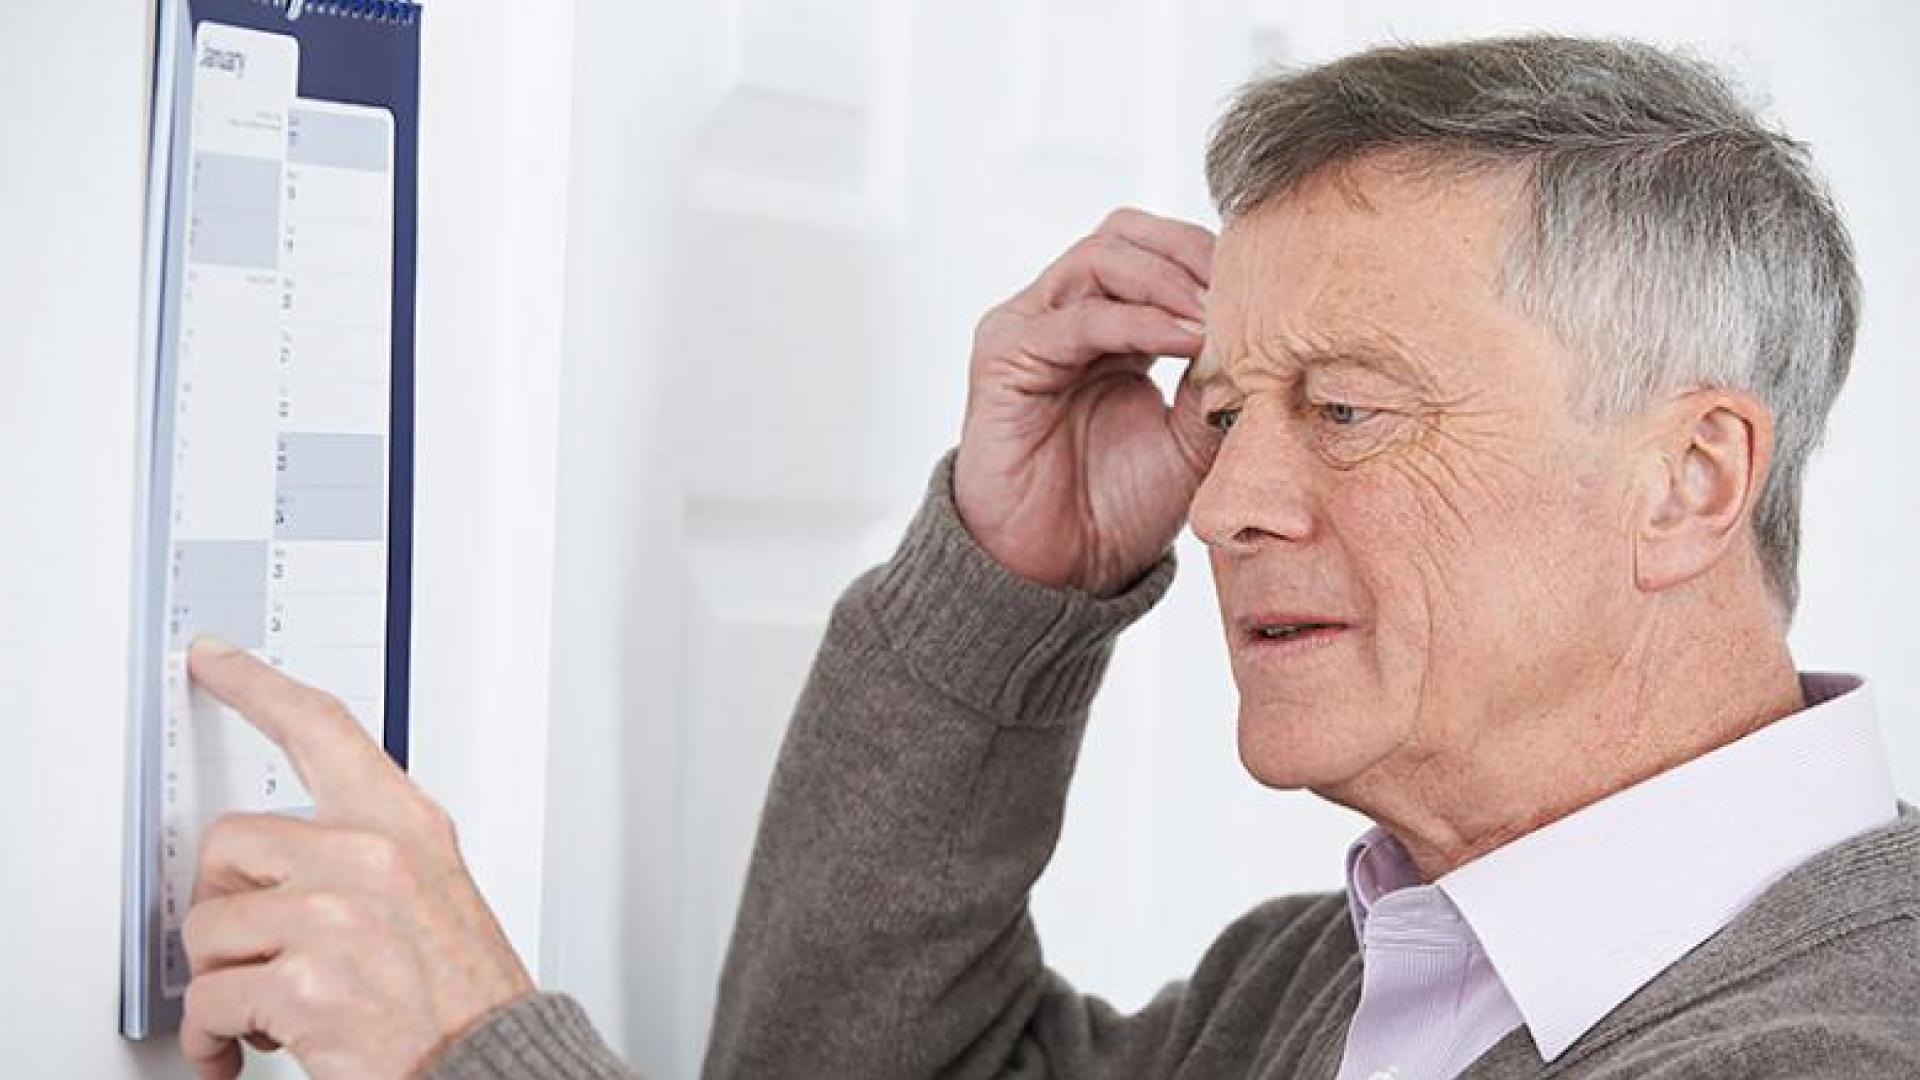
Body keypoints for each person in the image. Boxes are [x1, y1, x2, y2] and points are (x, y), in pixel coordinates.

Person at [174, 34, 1919, 1080]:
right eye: (1229, 409)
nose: (1230, 502)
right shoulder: (1319, 986)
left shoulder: (1836, 1044)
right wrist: (1010, 591)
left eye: (1352, 410)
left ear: (1690, 478)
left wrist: (477, 1056)